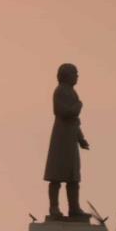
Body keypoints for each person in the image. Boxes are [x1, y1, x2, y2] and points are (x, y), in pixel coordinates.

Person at [43, 62, 90, 219]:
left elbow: (75, 122)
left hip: (70, 139)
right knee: (56, 176)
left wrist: (81, 139)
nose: (77, 76)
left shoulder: (71, 92)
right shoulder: (60, 91)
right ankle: (54, 207)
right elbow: (62, 112)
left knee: (73, 177)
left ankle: (74, 208)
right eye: (74, 73)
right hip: (61, 139)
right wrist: (79, 106)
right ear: (65, 75)